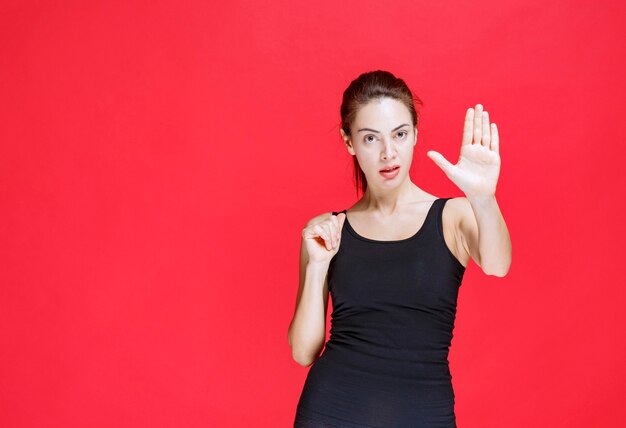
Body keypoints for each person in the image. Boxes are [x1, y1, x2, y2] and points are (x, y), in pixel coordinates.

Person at [288, 70, 512, 427]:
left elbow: (498, 264)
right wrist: (317, 265)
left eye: (400, 134)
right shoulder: (326, 231)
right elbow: (303, 352)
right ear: (349, 142)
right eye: (370, 138)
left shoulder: (453, 216)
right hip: (330, 412)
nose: (388, 153)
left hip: (423, 414)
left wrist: (484, 198)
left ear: (415, 134)